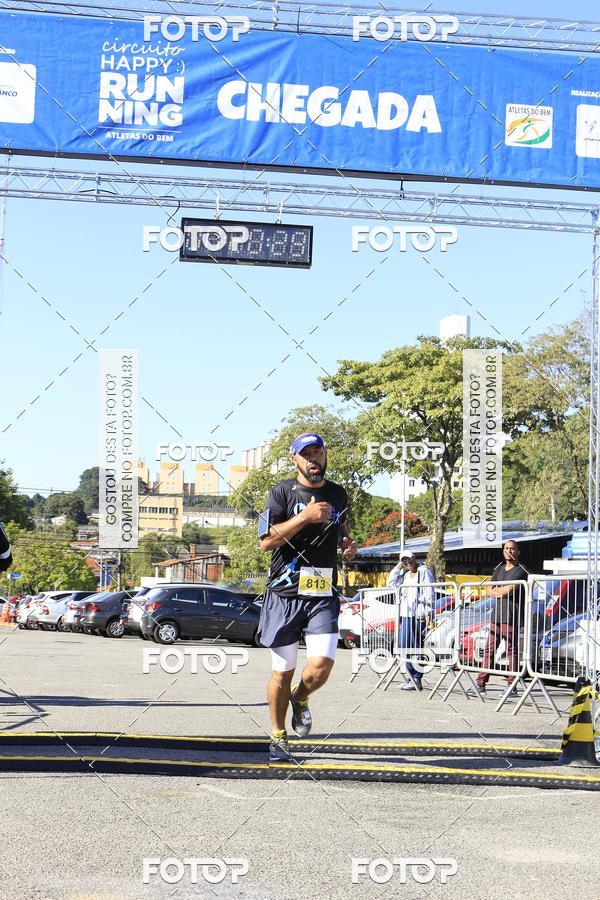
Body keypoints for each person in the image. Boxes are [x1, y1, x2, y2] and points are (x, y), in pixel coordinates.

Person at [258, 432, 357, 761]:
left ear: (325, 456)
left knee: (321, 665)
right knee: (282, 671)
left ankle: (301, 698)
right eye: (307, 454)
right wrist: (304, 517)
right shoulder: (279, 493)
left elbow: (342, 529)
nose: (314, 458)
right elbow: (265, 541)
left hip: (322, 592)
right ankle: (278, 735)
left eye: (318, 452)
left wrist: (348, 544)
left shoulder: (338, 494)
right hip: (284, 593)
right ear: (295, 460)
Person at [476, 540, 528, 694]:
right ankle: (481, 683)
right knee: (489, 649)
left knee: (511, 650)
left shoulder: (521, 570)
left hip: (512, 616)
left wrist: (498, 591)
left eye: (512, 548)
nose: (509, 551)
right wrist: (497, 591)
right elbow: (488, 590)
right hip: (496, 616)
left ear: (518, 551)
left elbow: (509, 590)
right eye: (506, 548)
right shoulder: (498, 568)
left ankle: (512, 685)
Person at [386, 551, 434, 691]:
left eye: (409, 559)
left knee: (415, 647)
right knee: (403, 646)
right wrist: (398, 567)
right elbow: (391, 583)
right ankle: (411, 678)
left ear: (414, 558)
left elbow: (428, 592)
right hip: (406, 615)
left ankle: (416, 679)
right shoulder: (405, 575)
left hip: (418, 615)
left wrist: (429, 613)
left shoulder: (423, 571)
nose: (407, 562)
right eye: (404, 560)